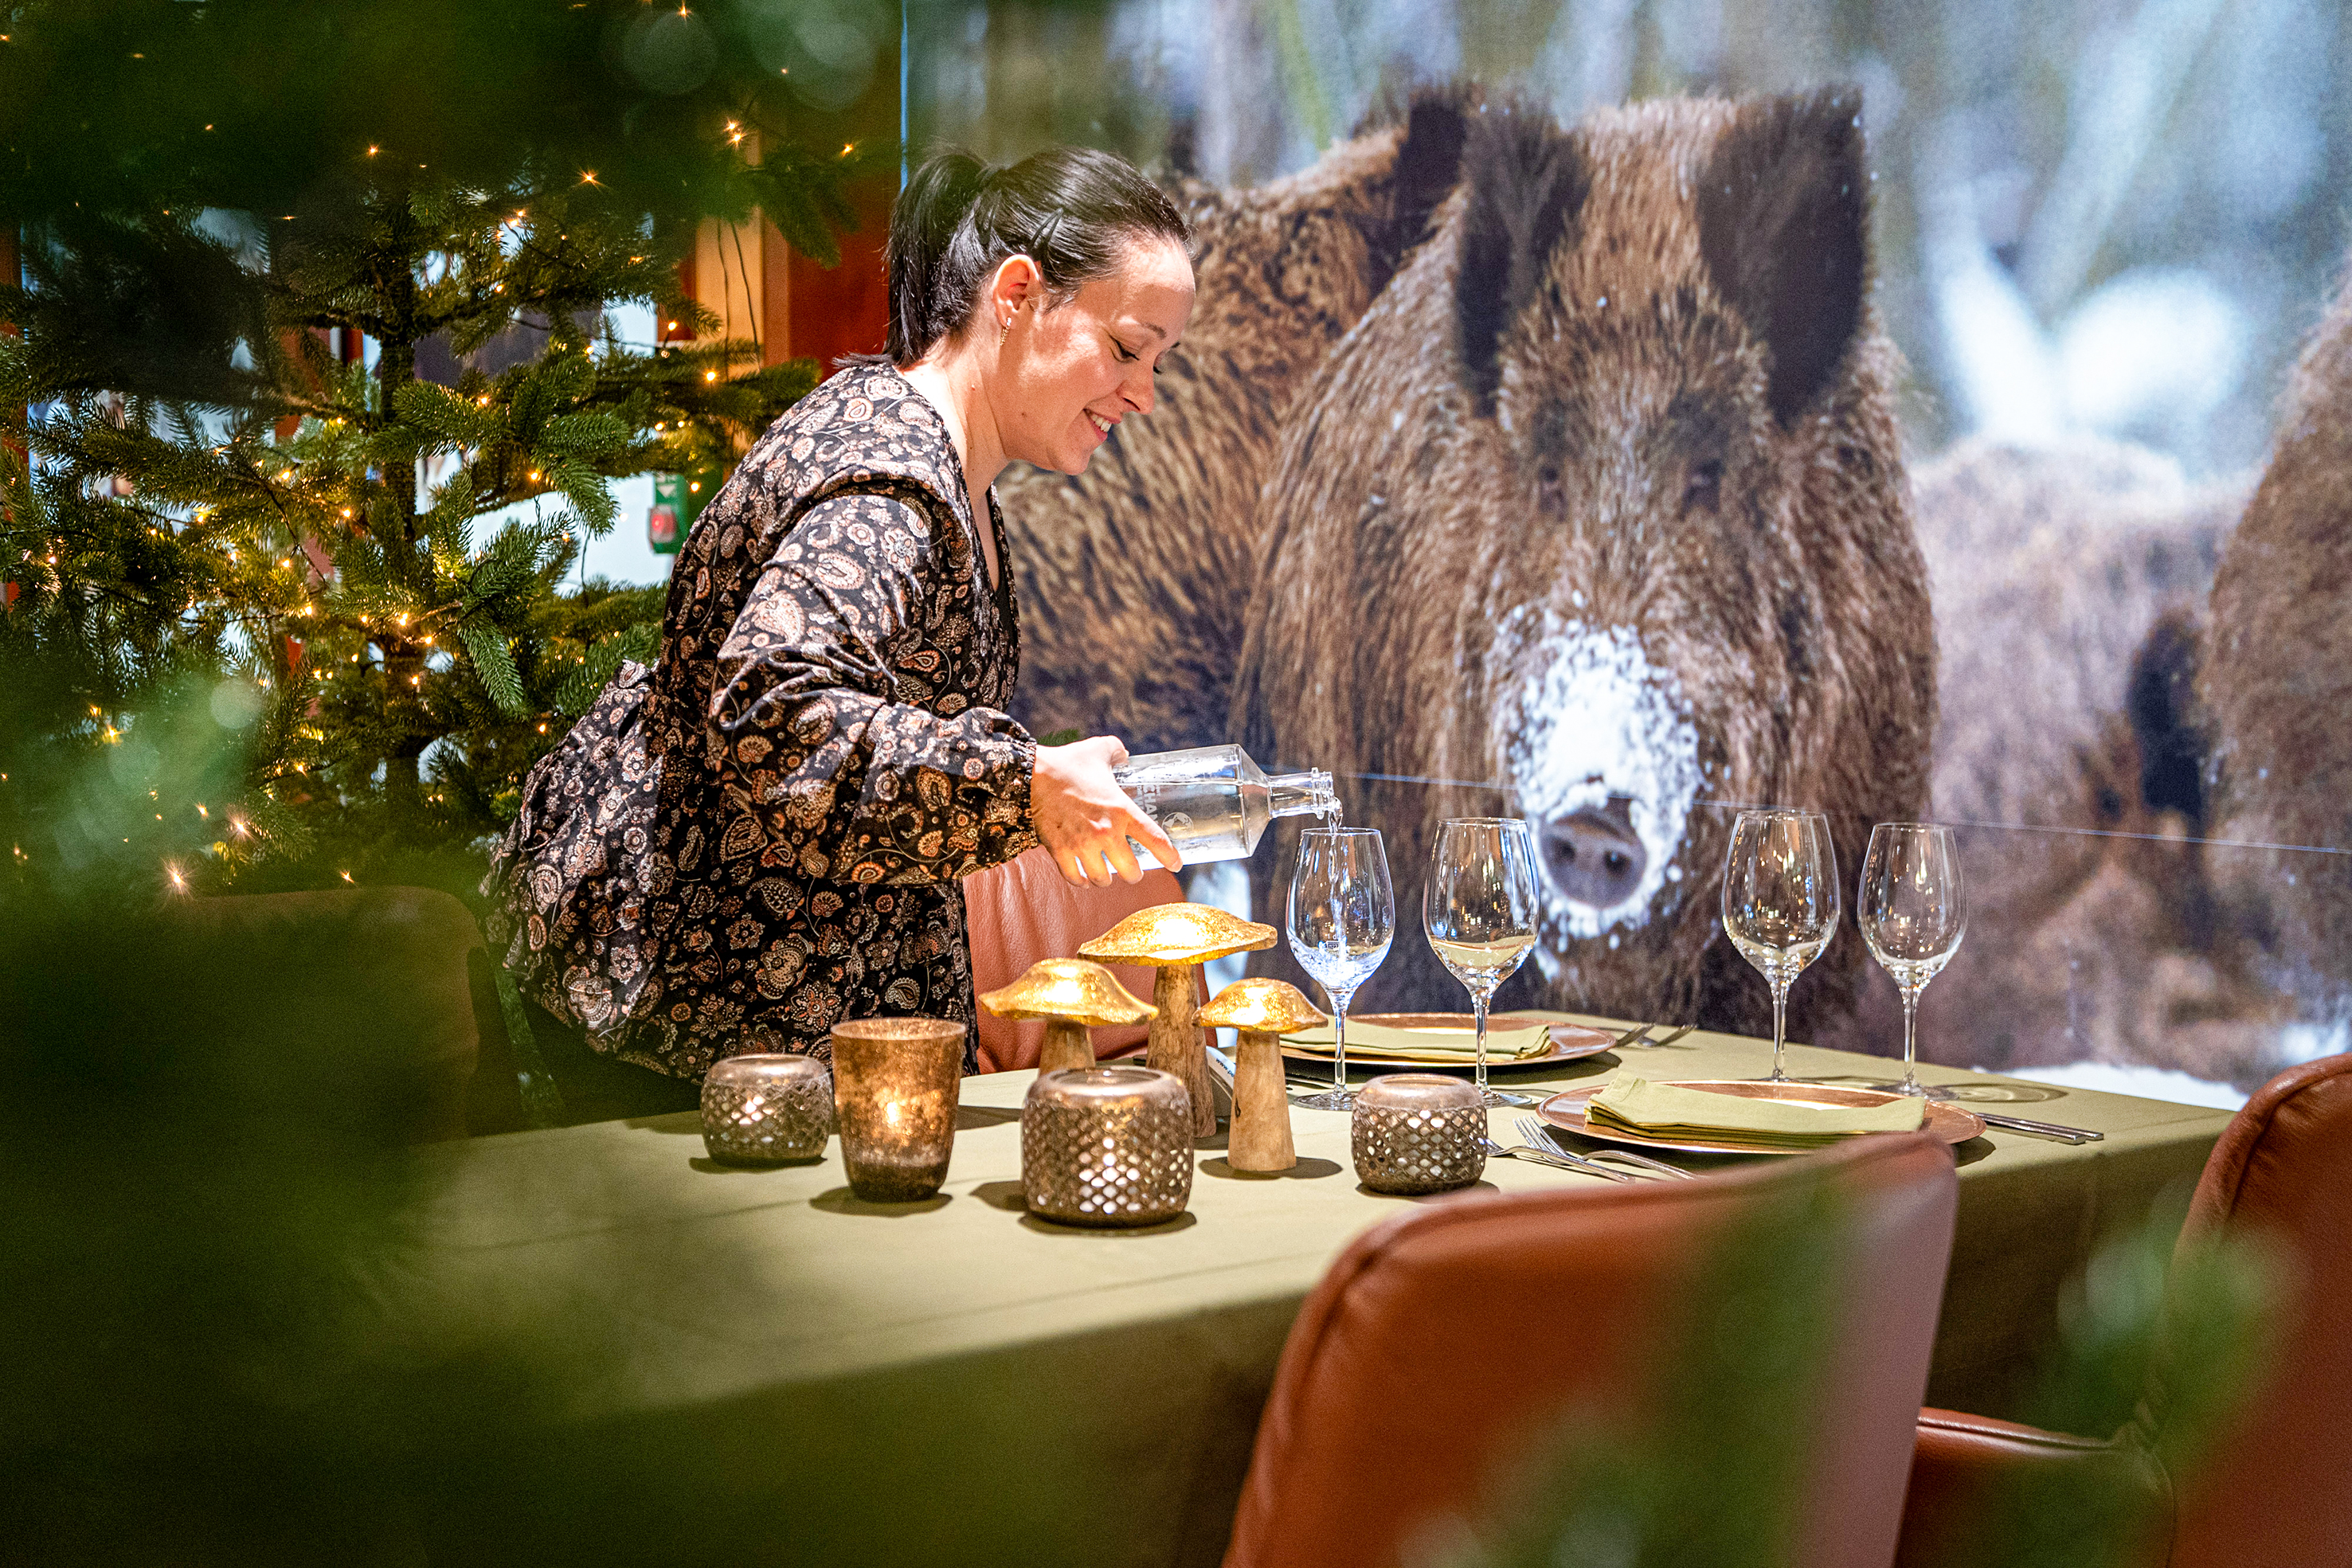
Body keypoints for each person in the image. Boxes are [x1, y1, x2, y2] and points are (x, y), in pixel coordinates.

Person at [483, 146, 1194, 1116]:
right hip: (693, 1016)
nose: (1143, 392)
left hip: (757, 1019)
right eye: (1125, 347)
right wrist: (1023, 782)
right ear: (1017, 294)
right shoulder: (890, 477)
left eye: (1160, 360)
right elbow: (773, 712)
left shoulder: (940, 462)